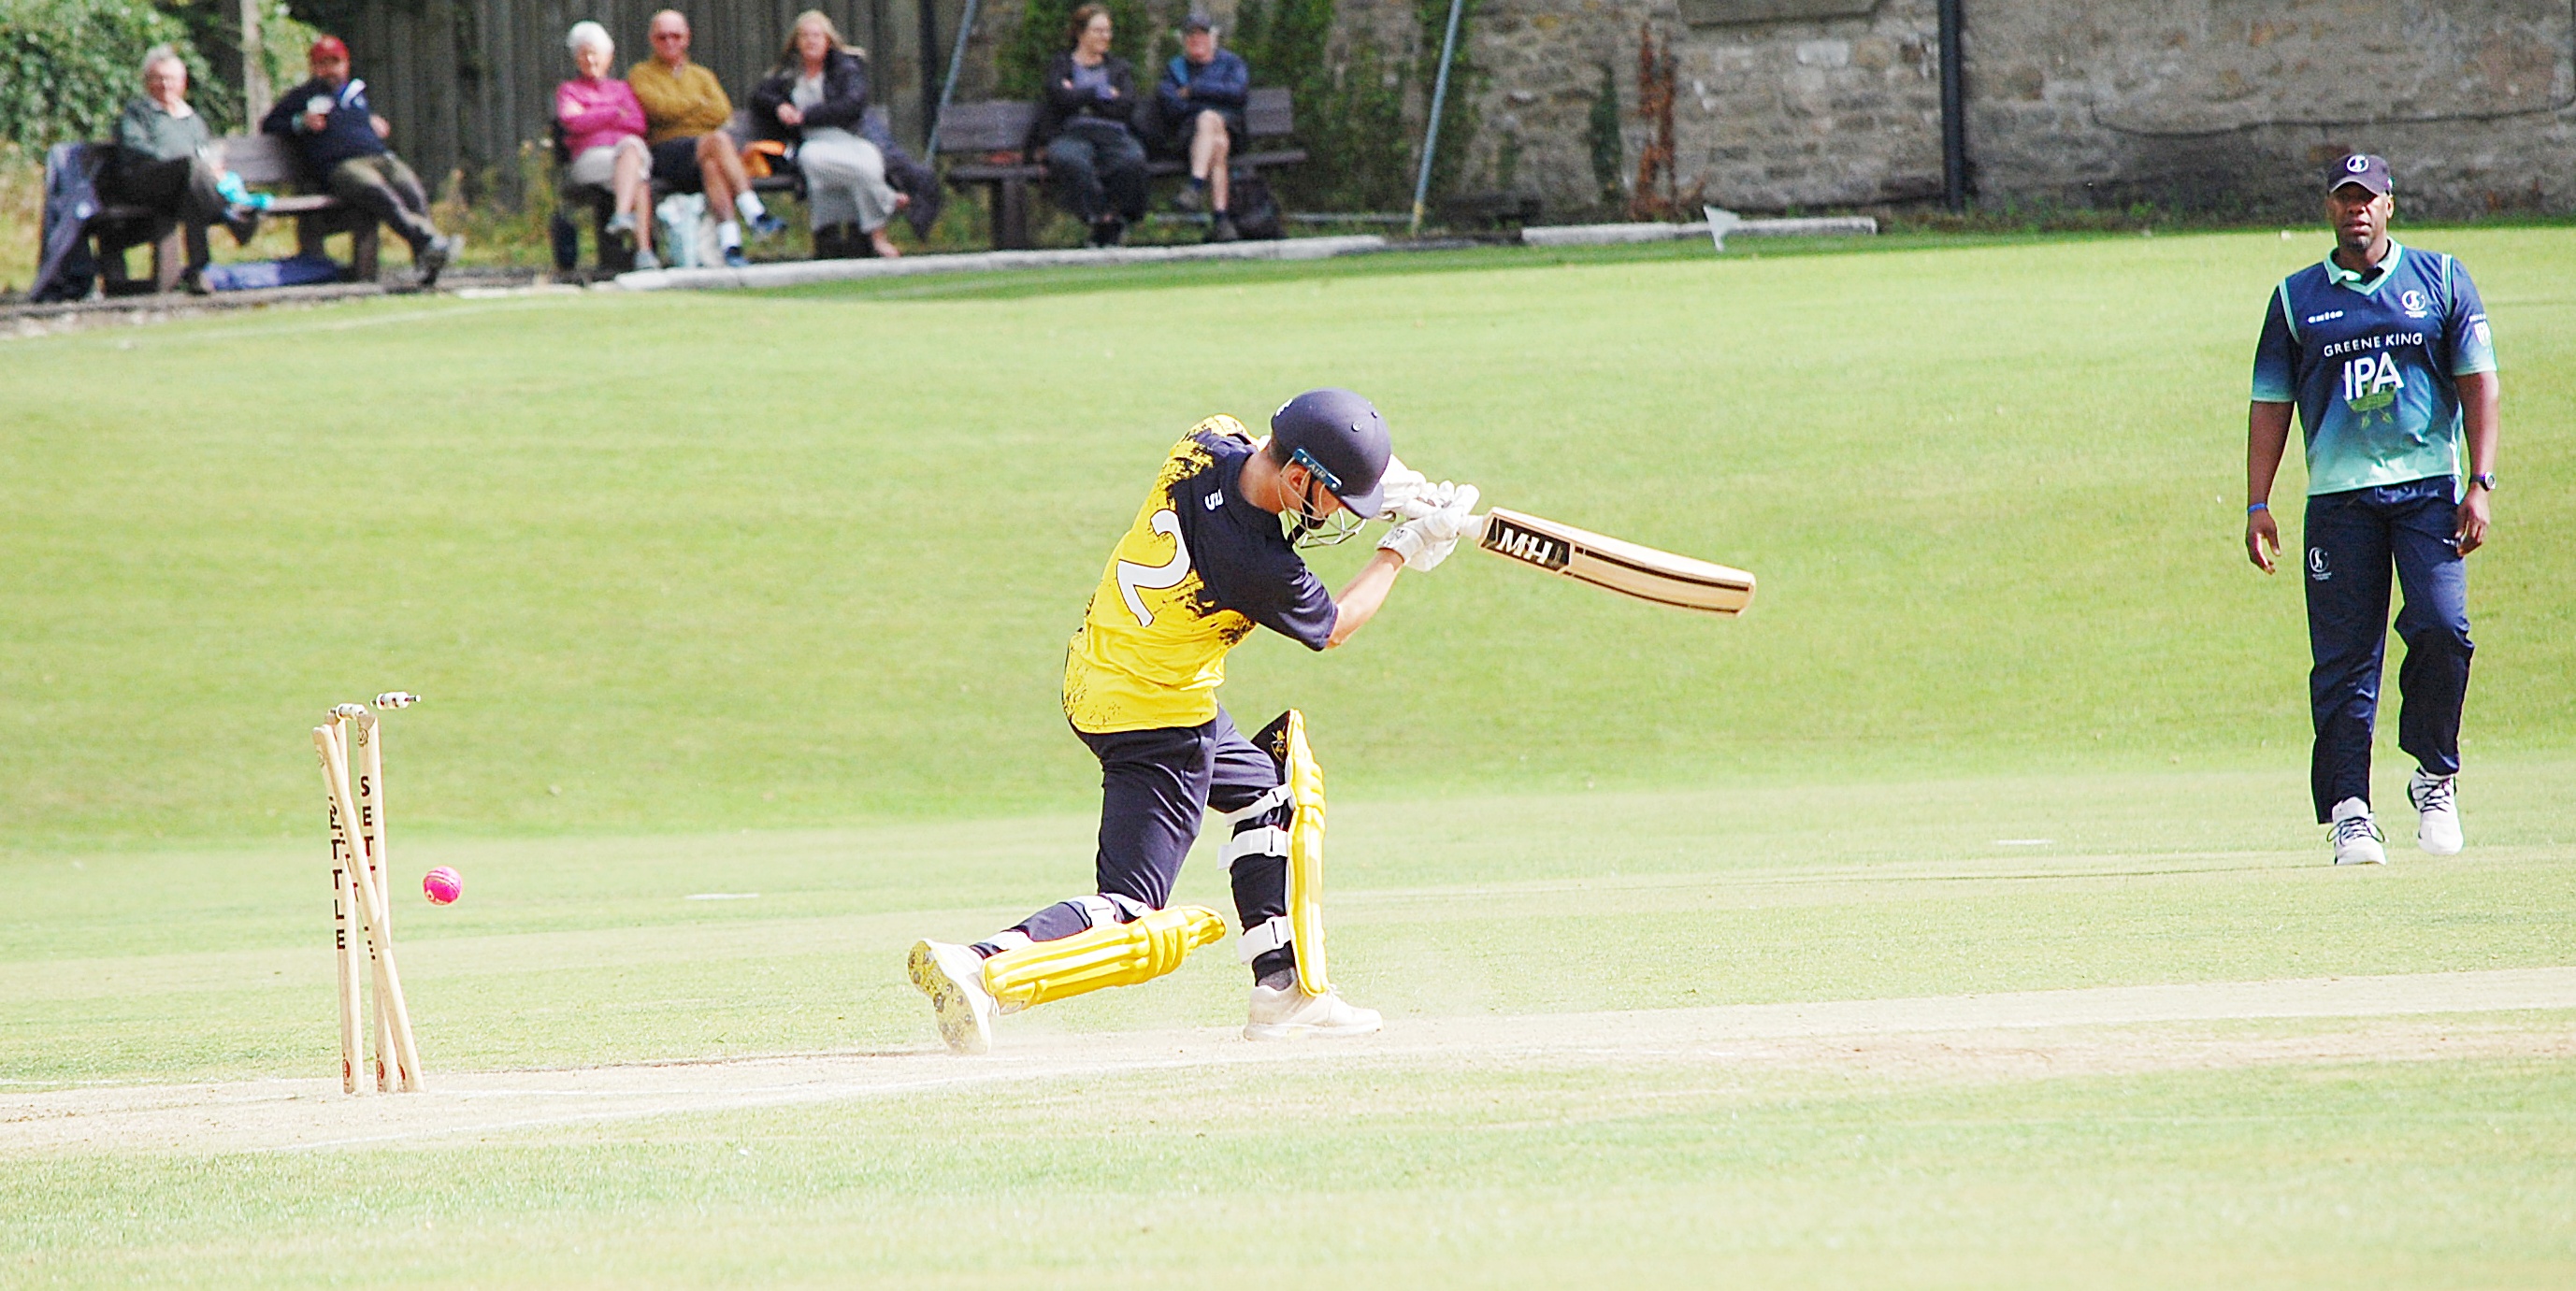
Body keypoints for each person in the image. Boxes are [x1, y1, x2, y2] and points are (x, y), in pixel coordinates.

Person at [904, 390, 1481, 1054]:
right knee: (1132, 906)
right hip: (1155, 715)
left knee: (1273, 792)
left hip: (1100, 667)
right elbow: (1334, 628)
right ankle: (981, 966)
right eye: (1333, 498)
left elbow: (1306, 449)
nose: (1336, 514)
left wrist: (1392, 484)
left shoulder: (1208, 440)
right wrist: (1402, 546)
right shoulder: (1254, 562)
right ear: (1298, 479)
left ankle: (1284, 990)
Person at [2245, 153, 2500, 865]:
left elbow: (2479, 385)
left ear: (2390, 204)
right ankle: (2350, 811)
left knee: (2443, 628)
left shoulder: (2440, 280)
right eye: (2343, 198)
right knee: (2343, 660)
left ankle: (2433, 774)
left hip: (2426, 492)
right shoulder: (2296, 299)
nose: (2356, 208)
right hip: (2337, 500)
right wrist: (2257, 501)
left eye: (2369, 197)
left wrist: (2479, 482)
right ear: (2328, 209)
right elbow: (2269, 404)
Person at [261, 35, 457, 285]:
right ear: (313, 67)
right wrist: (301, 122)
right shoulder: (304, 96)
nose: (330, 70)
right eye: (323, 63)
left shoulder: (355, 93)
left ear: (346, 64)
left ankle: (427, 260)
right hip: (341, 166)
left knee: (411, 189)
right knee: (378, 193)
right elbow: (269, 124)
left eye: (335, 62)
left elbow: (356, 123)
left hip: (379, 157)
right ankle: (428, 240)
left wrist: (370, 121)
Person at [627, 9, 786, 269]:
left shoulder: (701, 75)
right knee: (719, 141)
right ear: (652, 40)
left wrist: (684, 110)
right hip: (667, 153)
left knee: (713, 165)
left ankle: (731, 245)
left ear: (686, 38)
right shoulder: (642, 73)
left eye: (675, 36)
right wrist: (698, 105)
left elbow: (721, 110)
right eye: (662, 37)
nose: (670, 42)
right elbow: (659, 109)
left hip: (702, 152)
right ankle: (755, 213)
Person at [749, 11, 904, 260]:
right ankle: (886, 203)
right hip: (813, 141)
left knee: (870, 162)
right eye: (805, 36)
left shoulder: (845, 68)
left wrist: (807, 115)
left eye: (816, 36)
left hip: (847, 137)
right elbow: (760, 95)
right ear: (796, 42)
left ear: (828, 40)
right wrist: (780, 106)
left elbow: (852, 104)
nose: (810, 41)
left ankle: (875, 238)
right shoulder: (789, 74)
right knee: (814, 162)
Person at [106, 46, 259, 293]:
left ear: (183, 82)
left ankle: (198, 270)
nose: (165, 85)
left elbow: (205, 153)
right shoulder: (137, 113)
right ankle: (231, 216)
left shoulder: (192, 119)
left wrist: (212, 171)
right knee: (189, 168)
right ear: (147, 82)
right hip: (143, 182)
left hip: (184, 187)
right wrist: (180, 162)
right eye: (158, 78)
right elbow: (133, 148)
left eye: (171, 79)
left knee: (192, 191)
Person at [1033, 4, 1148, 247]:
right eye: (1098, 31)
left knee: (1132, 160)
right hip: (1071, 134)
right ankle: (1100, 218)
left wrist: (1080, 95)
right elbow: (1059, 98)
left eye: (1108, 31)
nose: (1105, 37)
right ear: (1080, 32)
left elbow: (1125, 104)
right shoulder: (1062, 64)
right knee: (1068, 160)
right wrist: (1101, 94)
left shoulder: (1118, 68)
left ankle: (1119, 218)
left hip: (1112, 133)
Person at [556, 22, 658, 270]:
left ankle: (622, 216)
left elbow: (638, 124)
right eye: (584, 53)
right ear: (576, 58)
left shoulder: (622, 88)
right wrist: (613, 113)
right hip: (590, 159)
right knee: (639, 177)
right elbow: (573, 122)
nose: (591, 59)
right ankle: (644, 252)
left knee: (632, 148)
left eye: (596, 53)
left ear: (609, 57)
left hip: (625, 155)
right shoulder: (569, 90)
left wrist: (594, 115)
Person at [1155, 13, 1247, 243]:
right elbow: (1172, 105)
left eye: (1202, 34)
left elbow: (1238, 94)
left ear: (1212, 38)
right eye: (1191, 35)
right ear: (1184, 40)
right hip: (1190, 136)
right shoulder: (1175, 68)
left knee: (1211, 122)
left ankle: (1195, 188)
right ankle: (1220, 219)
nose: (1197, 40)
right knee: (1216, 139)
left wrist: (1195, 91)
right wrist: (1212, 100)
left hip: (1232, 131)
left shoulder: (1231, 62)